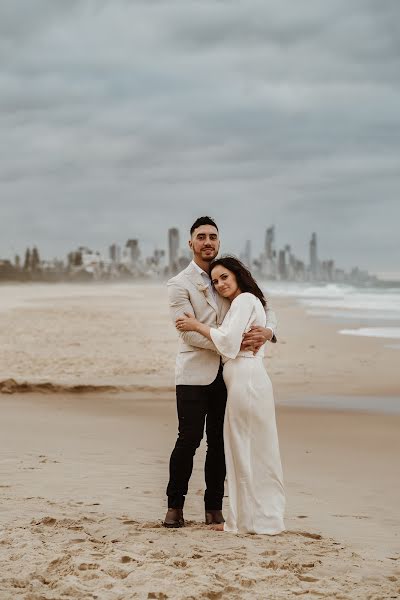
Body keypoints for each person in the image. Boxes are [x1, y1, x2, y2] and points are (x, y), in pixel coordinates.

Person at [163, 217, 277, 528]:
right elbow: (187, 334)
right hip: (192, 374)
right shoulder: (178, 284)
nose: (207, 241)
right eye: (201, 237)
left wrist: (267, 331)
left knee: (220, 441)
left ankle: (214, 508)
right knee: (188, 439)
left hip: (228, 376)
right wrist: (233, 345)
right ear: (191, 243)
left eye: (213, 236)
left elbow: (266, 308)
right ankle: (175, 506)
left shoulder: (229, 277)